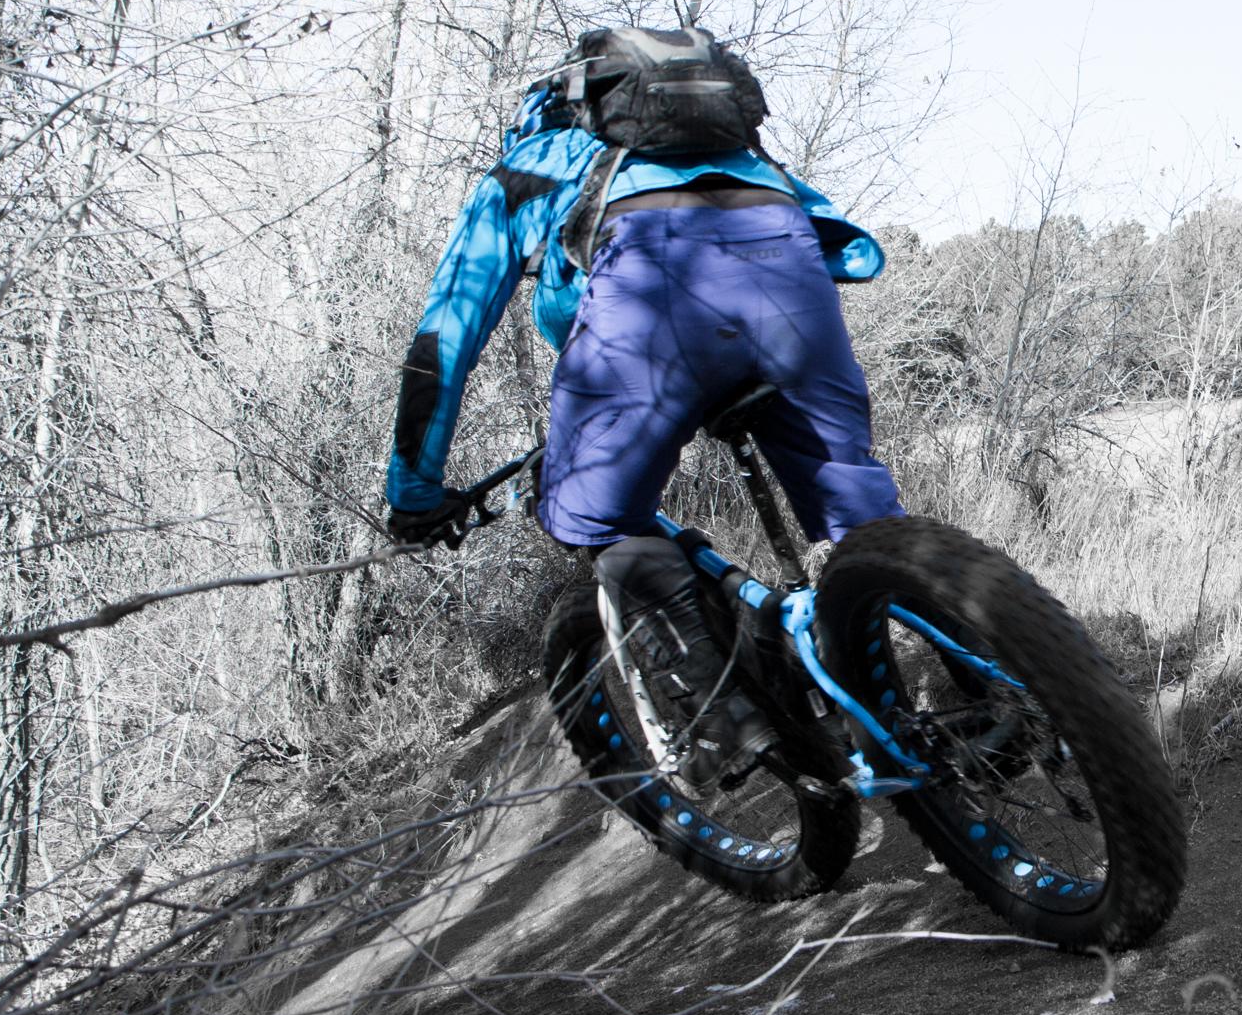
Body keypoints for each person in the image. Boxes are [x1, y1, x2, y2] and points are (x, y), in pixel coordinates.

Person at [382, 45, 903, 789]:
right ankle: (968, 686)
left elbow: (444, 341)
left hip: (653, 309)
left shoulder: (535, 162)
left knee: (591, 514)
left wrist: (415, 492)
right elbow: (846, 252)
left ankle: (728, 720)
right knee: (860, 516)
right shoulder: (744, 155)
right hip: (794, 293)